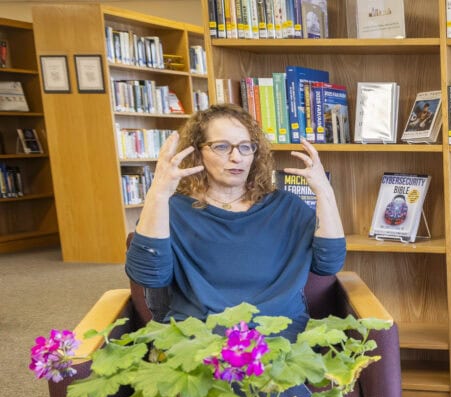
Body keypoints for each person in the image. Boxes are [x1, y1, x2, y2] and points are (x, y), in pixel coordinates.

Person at [125, 104, 346, 341]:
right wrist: (158, 194)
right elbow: (148, 275)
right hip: (199, 337)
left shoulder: (288, 208)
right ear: (197, 152)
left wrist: (324, 191)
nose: (236, 157)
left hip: (278, 336)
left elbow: (329, 264)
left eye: (245, 147)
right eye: (221, 146)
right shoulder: (171, 210)